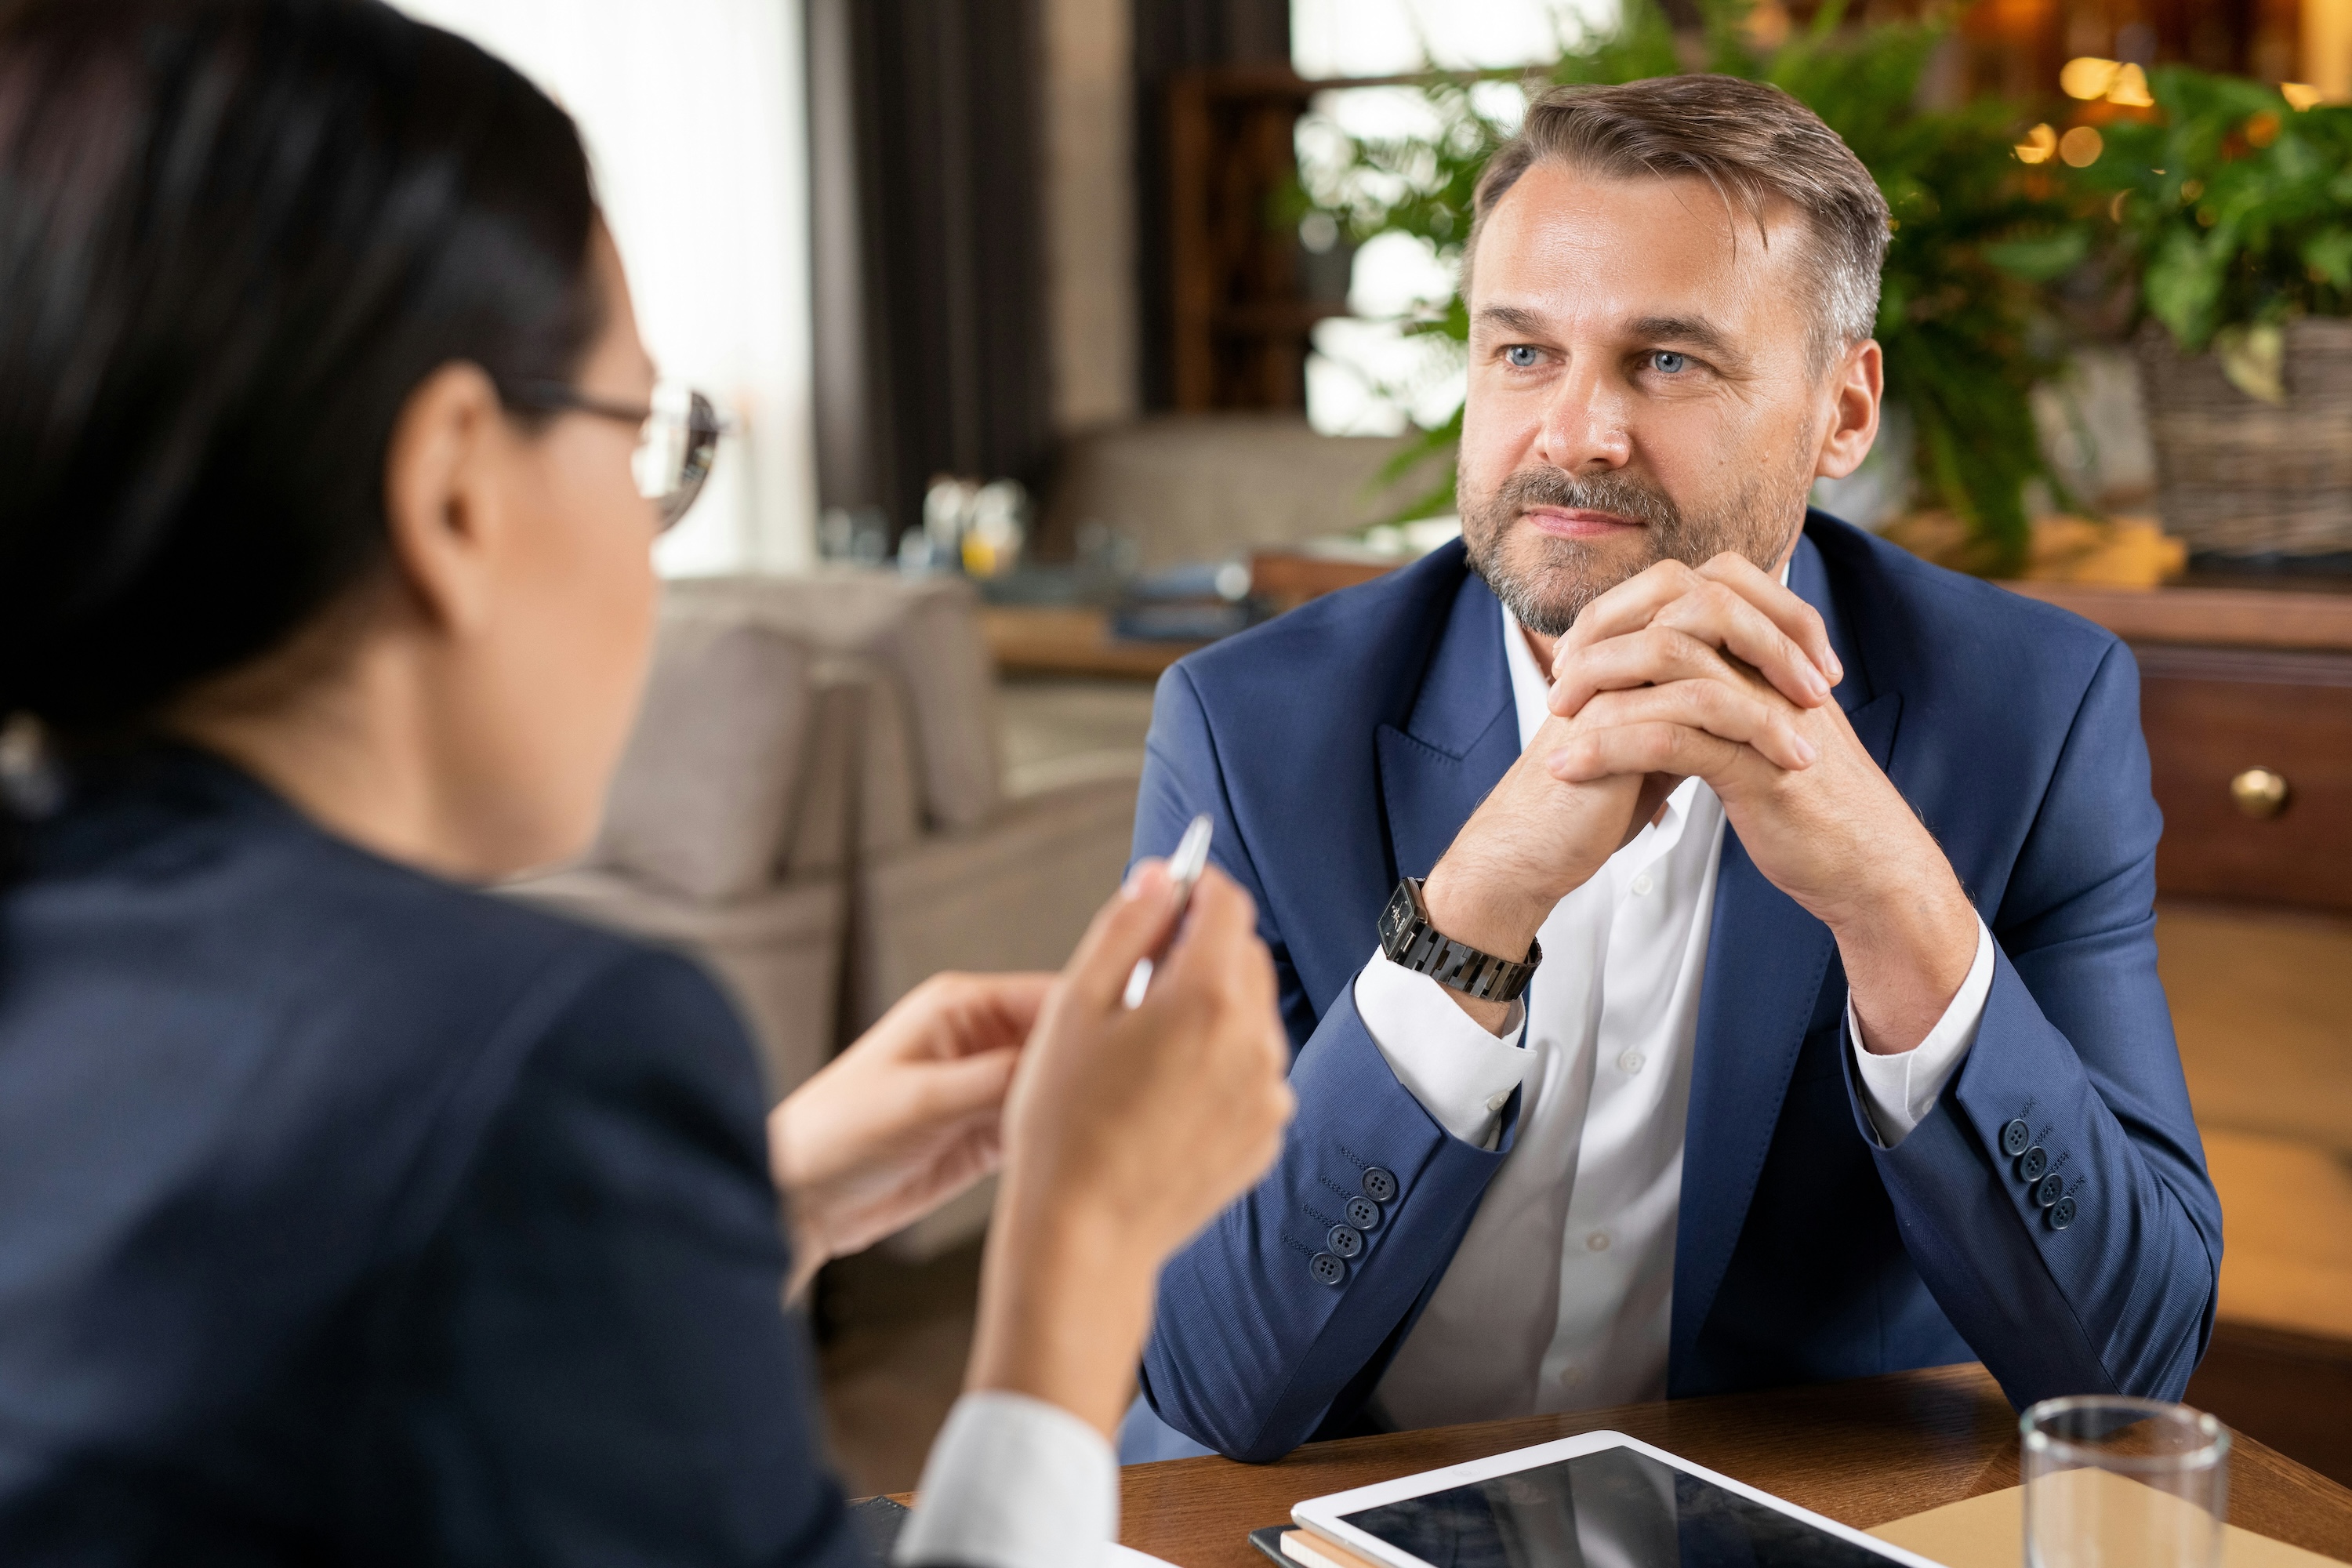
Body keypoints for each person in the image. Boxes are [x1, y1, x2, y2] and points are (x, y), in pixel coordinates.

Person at [0, 2, 1294, 1563]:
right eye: (640, 438)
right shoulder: (539, 1051)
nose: (647, 534)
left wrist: (757, 1211)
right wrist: (1080, 1258)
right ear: (454, 485)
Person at [1121, 74, 2220, 1465]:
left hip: (1764, 1516)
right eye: (1523, 353)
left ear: (1844, 409)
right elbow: (1208, 1378)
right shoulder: (1247, 726)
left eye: (1667, 361)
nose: (1576, 430)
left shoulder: (2029, 710)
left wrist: (1896, 906)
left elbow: (2132, 1362)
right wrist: (1471, 910)